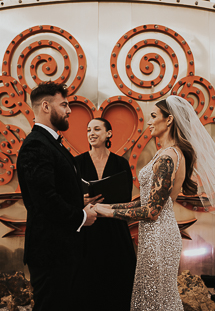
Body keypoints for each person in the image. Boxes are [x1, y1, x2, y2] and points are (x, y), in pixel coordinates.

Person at [95, 95, 215, 311]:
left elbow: (152, 210)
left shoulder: (167, 157)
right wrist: (106, 207)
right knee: (157, 300)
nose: (149, 121)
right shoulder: (171, 154)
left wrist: (108, 213)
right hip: (156, 235)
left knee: (156, 302)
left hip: (159, 237)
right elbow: (148, 203)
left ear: (169, 120)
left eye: (154, 116)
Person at [17, 81, 98, 311]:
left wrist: (77, 200)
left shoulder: (51, 143)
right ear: (45, 106)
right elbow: (45, 200)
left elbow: (52, 190)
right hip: (51, 252)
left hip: (62, 250)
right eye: (64, 105)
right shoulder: (36, 145)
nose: (69, 110)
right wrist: (82, 217)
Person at [74, 118, 136, 311]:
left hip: (115, 231)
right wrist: (80, 201)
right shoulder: (76, 163)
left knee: (118, 284)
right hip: (87, 231)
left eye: (97, 129)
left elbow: (126, 199)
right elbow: (66, 197)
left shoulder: (121, 164)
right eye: (88, 130)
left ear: (109, 133)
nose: (91, 133)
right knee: (86, 285)